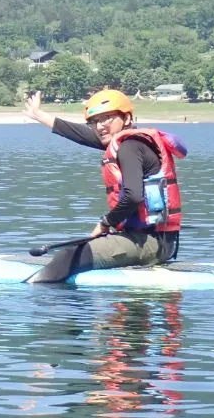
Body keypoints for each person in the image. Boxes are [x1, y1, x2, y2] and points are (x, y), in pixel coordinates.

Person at [24, 89, 186, 282]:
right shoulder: (132, 142)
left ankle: (32, 292)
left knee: (68, 257)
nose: (100, 126)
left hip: (149, 243)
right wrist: (39, 115)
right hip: (159, 243)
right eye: (94, 121)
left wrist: (105, 223)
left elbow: (133, 196)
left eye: (107, 118)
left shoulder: (129, 147)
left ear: (126, 118)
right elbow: (80, 135)